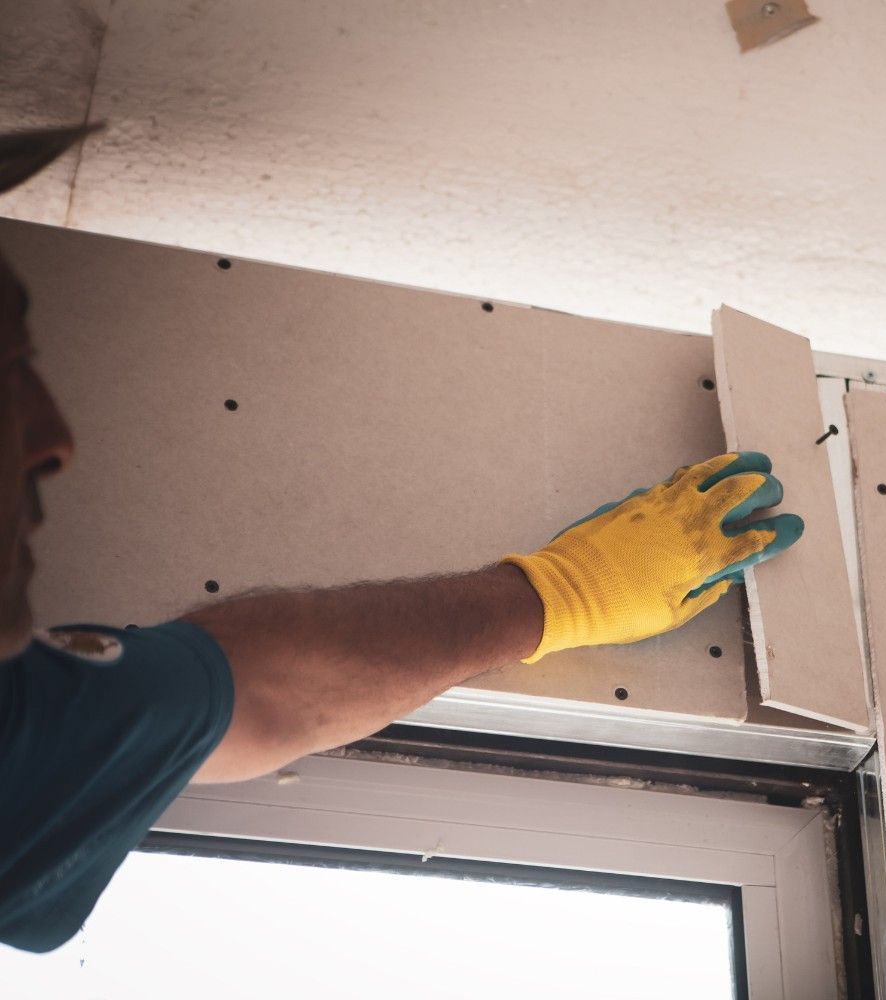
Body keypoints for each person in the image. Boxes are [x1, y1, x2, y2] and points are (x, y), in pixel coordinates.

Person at [0, 124, 803, 953]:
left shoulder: (20, 724)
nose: (56, 437)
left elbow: (258, 692)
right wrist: (563, 594)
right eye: (4, 373)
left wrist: (561, 594)